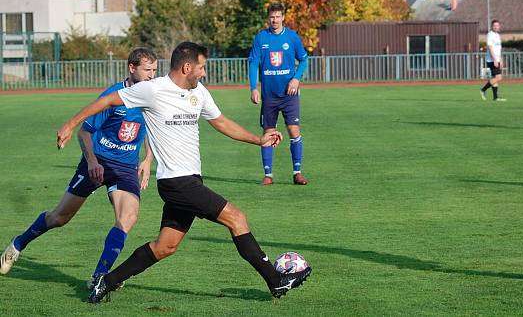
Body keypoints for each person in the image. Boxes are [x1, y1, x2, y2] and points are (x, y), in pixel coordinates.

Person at [56, 42, 311, 303]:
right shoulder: (152, 90)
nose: (203, 73)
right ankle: (276, 280)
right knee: (236, 218)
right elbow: (106, 100)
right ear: (187, 67)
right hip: (175, 182)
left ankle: (106, 282)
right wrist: (70, 124)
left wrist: (259, 140)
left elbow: (220, 122)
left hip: (190, 179)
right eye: (201, 67)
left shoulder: (198, 91)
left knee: (165, 246)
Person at [0, 48, 158, 289]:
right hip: (97, 161)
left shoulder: (152, 95)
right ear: (131, 68)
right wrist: (93, 162)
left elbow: (150, 129)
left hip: (125, 167)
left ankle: (100, 276)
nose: (152, 75)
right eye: (147, 70)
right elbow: (85, 131)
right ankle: (18, 243)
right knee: (60, 217)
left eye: (155, 70)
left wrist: (147, 159)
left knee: (128, 217)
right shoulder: (113, 95)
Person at [248, 2, 309, 186]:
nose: (275, 20)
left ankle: (297, 172)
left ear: (283, 17)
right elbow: (253, 63)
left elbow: (304, 60)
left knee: (293, 130)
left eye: (278, 16)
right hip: (269, 96)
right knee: (268, 133)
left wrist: (296, 78)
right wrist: (253, 87)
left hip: (289, 95)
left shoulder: (292, 37)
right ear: (268, 18)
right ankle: (268, 175)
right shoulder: (261, 38)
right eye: (272, 17)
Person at [480, 19, 506, 102]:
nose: (496, 27)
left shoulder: (497, 35)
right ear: (492, 26)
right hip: (491, 59)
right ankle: (483, 90)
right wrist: (495, 59)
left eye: (497, 26)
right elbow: (490, 47)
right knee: (499, 77)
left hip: (497, 59)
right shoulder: (490, 35)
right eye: (494, 26)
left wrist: (500, 59)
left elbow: (499, 49)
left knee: (495, 78)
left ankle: (495, 97)